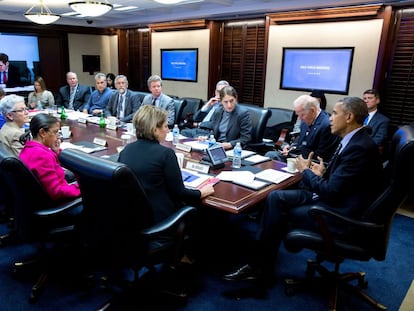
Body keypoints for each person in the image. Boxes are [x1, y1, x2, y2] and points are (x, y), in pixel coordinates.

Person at [223, 96, 384, 284]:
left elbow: (332, 192)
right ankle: (261, 261)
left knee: (278, 206)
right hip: (335, 199)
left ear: (349, 117)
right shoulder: (354, 139)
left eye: (334, 113)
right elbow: (343, 181)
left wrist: (306, 171)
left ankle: (259, 267)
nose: (330, 118)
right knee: (275, 197)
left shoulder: (359, 147)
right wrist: (322, 172)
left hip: (339, 214)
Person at [118, 105, 214, 223]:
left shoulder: (126, 150)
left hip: (132, 217)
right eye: (165, 126)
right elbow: (180, 193)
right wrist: (201, 192)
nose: (168, 130)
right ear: (154, 129)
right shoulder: (165, 154)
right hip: (160, 218)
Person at [19, 114, 81, 202]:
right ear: (42, 133)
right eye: (55, 132)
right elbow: (57, 192)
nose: (58, 136)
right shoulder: (41, 156)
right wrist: (81, 188)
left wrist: (55, 152)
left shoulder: (29, 148)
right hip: (57, 204)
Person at [265, 94, 339, 162]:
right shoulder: (305, 120)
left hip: (311, 163)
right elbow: (302, 143)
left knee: (272, 156)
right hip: (298, 156)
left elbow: (321, 156)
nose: (300, 119)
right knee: (270, 155)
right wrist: (292, 148)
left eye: (302, 115)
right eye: (298, 115)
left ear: (312, 110)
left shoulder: (327, 125)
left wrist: (293, 154)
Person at [202, 85, 252, 150]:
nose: (229, 105)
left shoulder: (243, 113)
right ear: (221, 101)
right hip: (217, 146)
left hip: (234, 149)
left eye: (231, 101)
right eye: (225, 102)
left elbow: (246, 138)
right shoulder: (218, 111)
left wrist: (229, 144)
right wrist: (207, 137)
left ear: (236, 99)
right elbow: (215, 132)